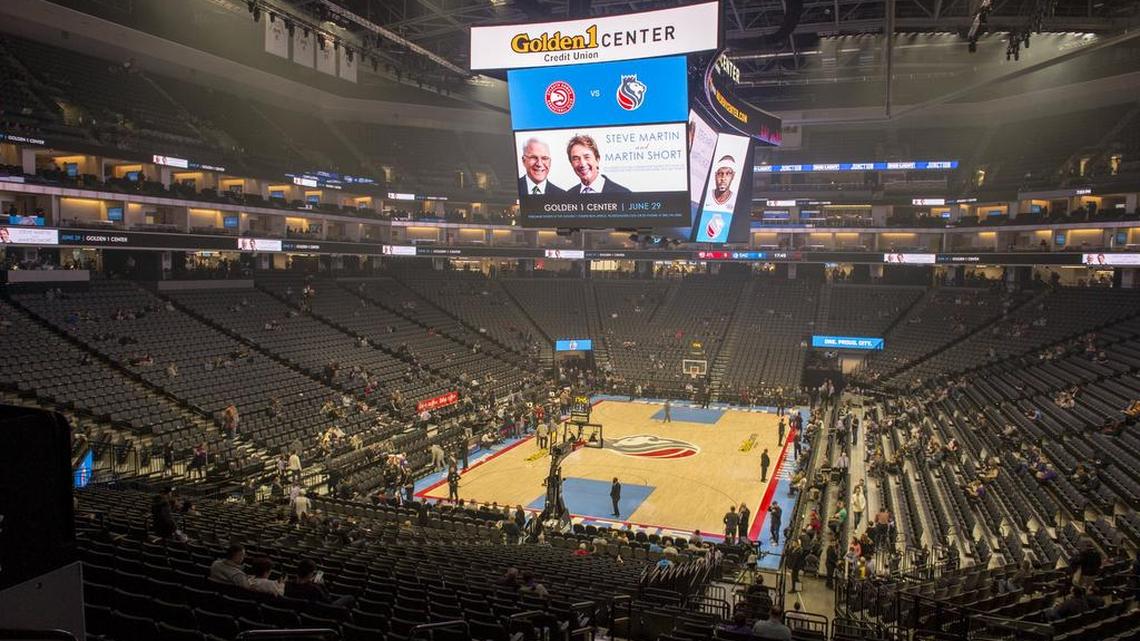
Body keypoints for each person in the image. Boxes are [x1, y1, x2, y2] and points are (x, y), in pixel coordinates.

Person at [286, 560, 353, 608]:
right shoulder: (314, 588)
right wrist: (322, 585)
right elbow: (328, 601)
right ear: (310, 574)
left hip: (303, 610)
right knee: (349, 597)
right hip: (324, 610)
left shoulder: (288, 584)